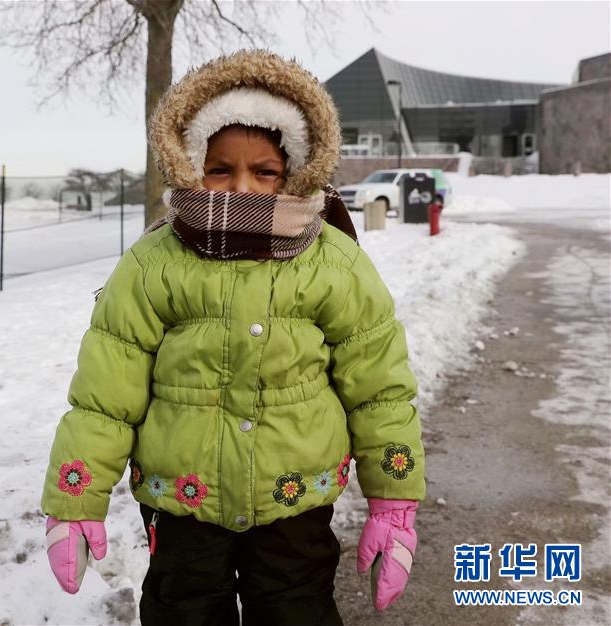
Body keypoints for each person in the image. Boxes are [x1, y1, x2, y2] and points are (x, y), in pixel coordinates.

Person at [41, 50, 425, 625]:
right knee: (183, 611)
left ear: (297, 168)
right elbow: (104, 395)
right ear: (189, 162)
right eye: (220, 169)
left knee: (297, 610)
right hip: (182, 502)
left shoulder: (333, 262)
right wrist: (76, 500)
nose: (241, 187)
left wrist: (393, 499)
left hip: (294, 499)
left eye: (265, 171)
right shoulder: (154, 263)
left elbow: (378, 388)